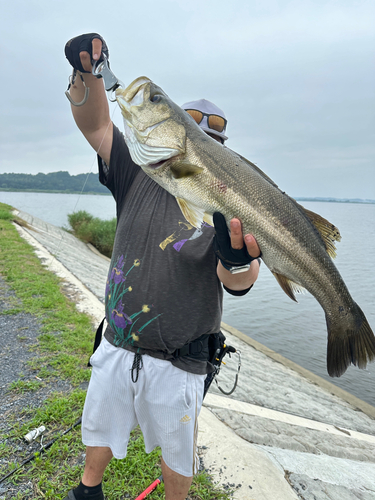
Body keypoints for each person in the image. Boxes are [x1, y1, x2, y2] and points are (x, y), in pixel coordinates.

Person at [63, 33, 261, 500]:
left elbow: (240, 280)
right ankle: (88, 491)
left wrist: (236, 262)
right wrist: (85, 71)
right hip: (118, 339)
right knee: (99, 425)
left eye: (214, 142)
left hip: (182, 357)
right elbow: (95, 125)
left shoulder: (228, 199)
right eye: (195, 135)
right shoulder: (136, 168)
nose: (203, 146)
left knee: (178, 452)